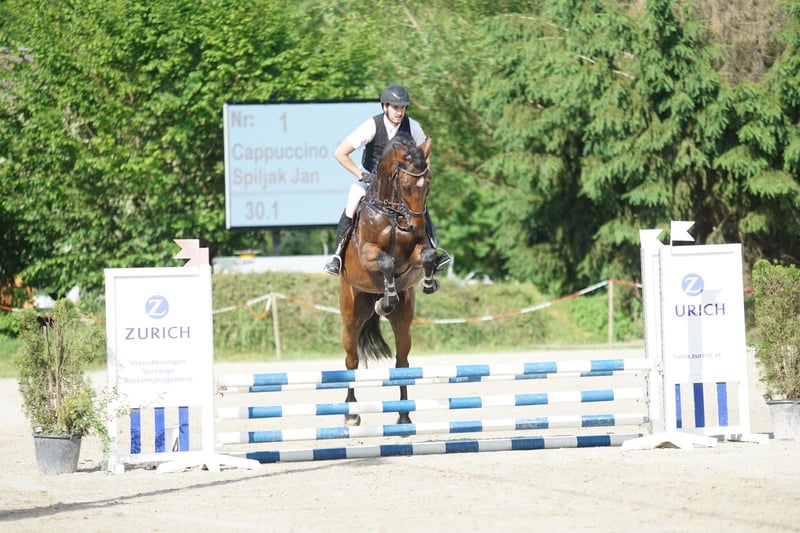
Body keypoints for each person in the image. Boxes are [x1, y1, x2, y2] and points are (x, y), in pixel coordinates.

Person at [323, 84, 450, 276]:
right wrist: (360, 174)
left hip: (400, 184)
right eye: (395, 107)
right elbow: (340, 153)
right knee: (352, 204)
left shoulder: (413, 127)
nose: (400, 112)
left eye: (403, 107)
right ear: (385, 106)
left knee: (420, 206)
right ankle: (338, 255)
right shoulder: (372, 126)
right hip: (371, 178)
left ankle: (433, 249)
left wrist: (421, 177)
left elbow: (424, 154)